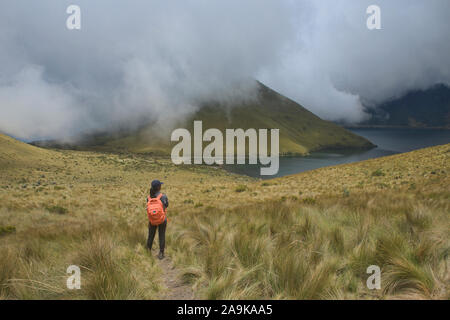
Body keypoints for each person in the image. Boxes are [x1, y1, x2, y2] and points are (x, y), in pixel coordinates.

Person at [146, 179, 169, 260]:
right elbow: (166, 205)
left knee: (151, 235)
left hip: (152, 220)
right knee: (161, 235)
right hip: (162, 219)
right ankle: (161, 253)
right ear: (159, 187)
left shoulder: (148, 198)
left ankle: (147, 252)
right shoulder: (163, 196)